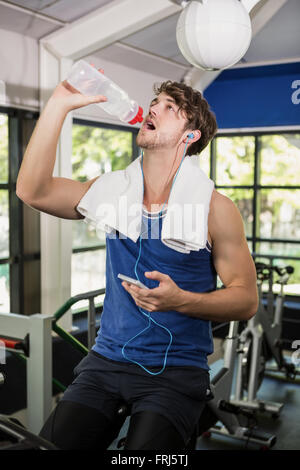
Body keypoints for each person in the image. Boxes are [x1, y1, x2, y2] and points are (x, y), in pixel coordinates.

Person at [16, 73, 258, 451]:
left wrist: (182, 300)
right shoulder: (112, 192)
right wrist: (59, 104)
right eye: (155, 103)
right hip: (106, 361)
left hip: (175, 371)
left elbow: (246, 299)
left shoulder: (216, 210)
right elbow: (33, 190)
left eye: (170, 108)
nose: (154, 108)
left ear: (189, 136)